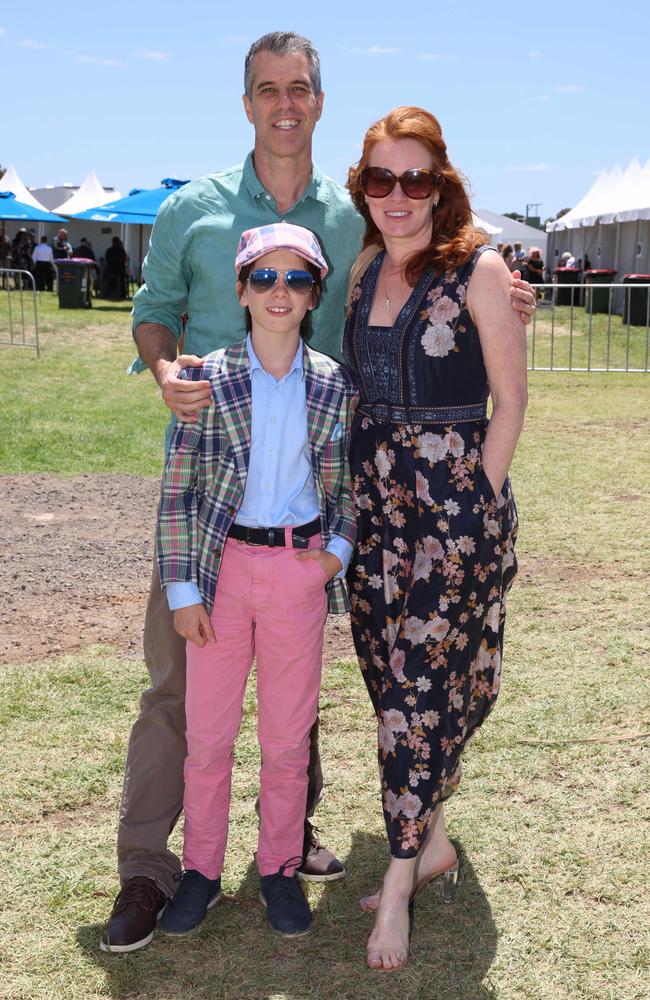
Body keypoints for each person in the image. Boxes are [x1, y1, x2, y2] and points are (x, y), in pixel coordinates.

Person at [101, 30, 537, 955]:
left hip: (327, 502)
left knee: (306, 697)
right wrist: (164, 364)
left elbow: (442, 274)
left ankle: (288, 843)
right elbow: (152, 309)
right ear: (248, 100)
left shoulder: (355, 218)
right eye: (267, 89)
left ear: (320, 100)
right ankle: (152, 867)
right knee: (181, 694)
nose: (284, 103)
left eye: (299, 87)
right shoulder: (196, 208)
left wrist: (503, 292)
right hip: (217, 488)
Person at [343, 106, 526, 971]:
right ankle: (437, 837)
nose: (398, 195)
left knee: (418, 696)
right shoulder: (363, 267)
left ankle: (401, 879)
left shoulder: (480, 269)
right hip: (375, 513)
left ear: (440, 184)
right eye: (382, 178)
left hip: (452, 516)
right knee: (394, 687)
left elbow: (511, 400)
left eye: (416, 178)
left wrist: (476, 503)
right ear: (364, 188)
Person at [153, 222, 356, 940]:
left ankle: (277, 866)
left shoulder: (332, 384)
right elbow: (177, 491)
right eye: (264, 277)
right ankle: (203, 870)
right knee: (208, 736)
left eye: (295, 279)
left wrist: (333, 553)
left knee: (287, 738)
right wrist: (184, 592)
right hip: (223, 574)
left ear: (312, 296)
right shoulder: (205, 378)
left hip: (298, 573)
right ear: (241, 290)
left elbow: (347, 487)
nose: (279, 291)